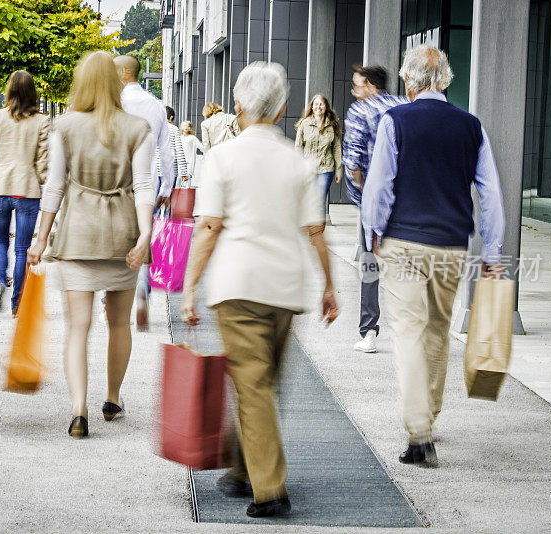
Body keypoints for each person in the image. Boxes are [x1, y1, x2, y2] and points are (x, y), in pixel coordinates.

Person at [181, 62, 339, 518]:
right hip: (286, 288)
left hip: (237, 285)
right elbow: (315, 231)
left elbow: (209, 225)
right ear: (285, 108)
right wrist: (328, 286)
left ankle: (270, 488)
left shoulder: (223, 158)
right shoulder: (299, 160)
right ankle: (240, 466)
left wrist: (190, 286)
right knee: (262, 382)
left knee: (253, 384)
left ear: (239, 105)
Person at [363, 45, 504, 467]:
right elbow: (490, 193)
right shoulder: (471, 126)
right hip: (451, 245)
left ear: (408, 81)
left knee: (407, 331)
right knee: (438, 331)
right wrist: (492, 251)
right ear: (445, 81)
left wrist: (373, 230)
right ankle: (430, 416)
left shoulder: (395, 121)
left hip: (403, 241)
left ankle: (419, 433)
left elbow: (380, 184)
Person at [26, 51, 154, 439]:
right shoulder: (138, 127)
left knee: (77, 329)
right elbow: (145, 184)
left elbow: (55, 186)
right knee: (119, 324)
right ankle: (112, 397)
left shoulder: (63, 126)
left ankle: (78, 410)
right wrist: (146, 235)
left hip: (78, 236)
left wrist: (39, 239)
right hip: (123, 236)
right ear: (117, 82)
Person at [342, 65, 407, 354]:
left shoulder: (360, 111)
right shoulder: (405, 105)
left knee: (370, 264)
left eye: (357, 86)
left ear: (370, 86)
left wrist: (362, 192)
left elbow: (353, 159)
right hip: (406, 199)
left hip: (374, 201)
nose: (354, 92)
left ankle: (369, 331)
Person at [0, 70, 49, 315]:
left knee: (0, 241)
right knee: (22, 249)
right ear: (33, 93)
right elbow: (42, 161)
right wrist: (38, 179)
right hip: (26, 190)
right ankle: (17, 301)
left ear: (8, 90)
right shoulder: (41, 121)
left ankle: (0, 281)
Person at [114, 54, 175, 330]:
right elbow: (167, 150)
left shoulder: (116, 103)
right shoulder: (156, 105)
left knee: (116, 242)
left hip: (117, 183)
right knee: (143, 238)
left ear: (125, 72)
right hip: (148, 185)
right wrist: (167, 186)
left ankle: (115, 300)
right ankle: (141, 293)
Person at [294, 94, 343, 217]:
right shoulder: (304, 124)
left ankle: (317, 232)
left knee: (319, 201)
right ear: (312, 107)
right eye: (316, 104)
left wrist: (338, 171)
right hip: (308, 168)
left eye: (321, 104)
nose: (318, 107)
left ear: (326, 106)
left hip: (326, 169)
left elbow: (337, 148)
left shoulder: (332, 125)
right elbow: (298, 147)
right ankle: (308, 230)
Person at [158, 106, 189, 188]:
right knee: (167, 198)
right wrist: (184, 172)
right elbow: (179, 152)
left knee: (154, 199)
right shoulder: (174, 129)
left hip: (154, 171)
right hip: (170, 171)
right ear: (171, 117)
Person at [179, 120, 204, 187]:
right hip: (181, 162)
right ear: (181, 127)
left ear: (190, 128)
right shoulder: (179, 138)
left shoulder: (192, 138)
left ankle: (187, 193)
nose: (186, 127)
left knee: (188, 179)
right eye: (184, 125)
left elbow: (201, 147)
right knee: (181, 179)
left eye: (188, 126)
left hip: (190, 161)